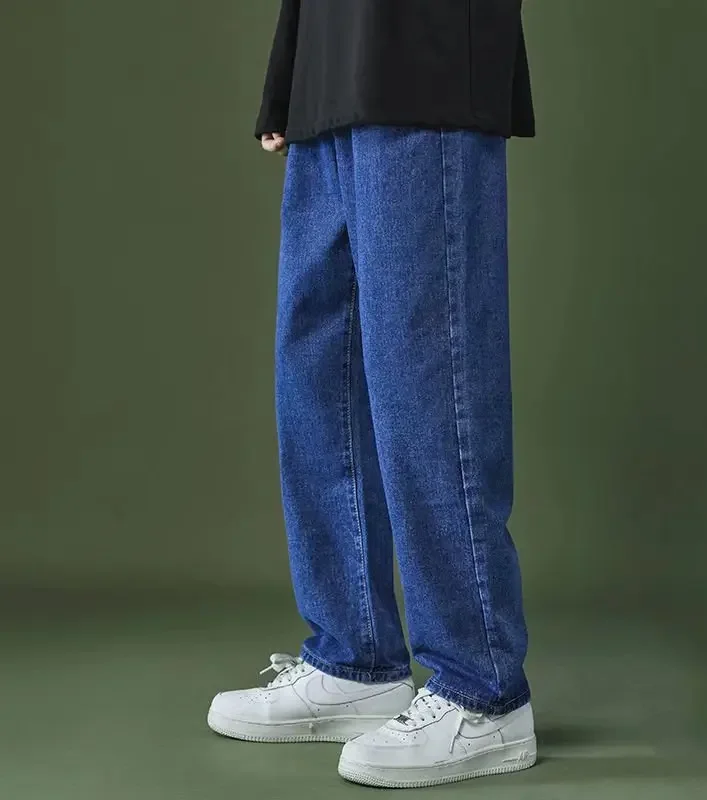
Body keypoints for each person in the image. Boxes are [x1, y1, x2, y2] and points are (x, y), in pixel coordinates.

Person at [207, 0, 537, 788]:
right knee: (320, 373)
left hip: (424, 59)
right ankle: (353, 659)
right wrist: (288, 73)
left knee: (428, 375)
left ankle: (483, 690)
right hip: (329, 74)